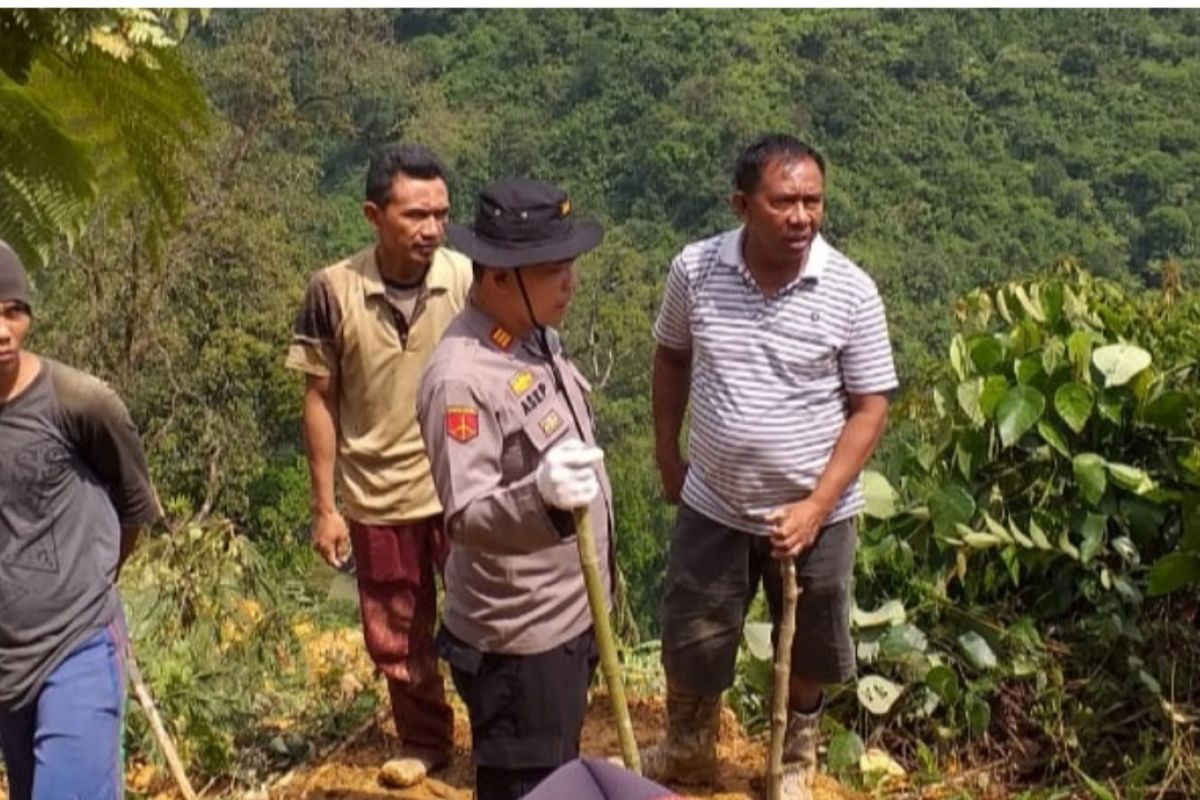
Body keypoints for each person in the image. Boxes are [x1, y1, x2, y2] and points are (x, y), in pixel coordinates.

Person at [647, 134, 899, 799]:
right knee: (694, 628)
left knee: (810, 641)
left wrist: (817, 505)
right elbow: (671, 357)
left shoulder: (850, 289)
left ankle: (790, 766)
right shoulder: (695, 270)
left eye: (813, 201)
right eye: (784, 201)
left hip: (817, 508)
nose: (802, 217)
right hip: (714, 499)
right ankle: (689, 749)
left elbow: (872, 406)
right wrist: (668, 456)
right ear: (742, 204)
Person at [416, 179, 613, 800]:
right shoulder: (461, 378)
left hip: (568, 620)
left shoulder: (533, 339)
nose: (570, 284)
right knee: (527, 786)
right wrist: (541, 499)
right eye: (553, 271)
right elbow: (468, 515)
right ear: (500, 277)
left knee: (562, 775)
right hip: (520, 644)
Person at [285, 144, 472, 777]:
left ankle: (500, 737)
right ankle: (427, 743)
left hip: (462, 489)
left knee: (484, 617)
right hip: (378, 497)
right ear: (374, 214)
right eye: (416, 215)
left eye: (441, 214)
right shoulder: (333, 291)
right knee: (394, 636)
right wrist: (325, 507)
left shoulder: (466, 278)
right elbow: (318, 398)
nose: (432, 229)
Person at [0, 240, 160, 799]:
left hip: (78, 641)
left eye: (12, 311)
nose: (2, 330)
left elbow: (134, 508)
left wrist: (90, 582)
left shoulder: (80, 403)